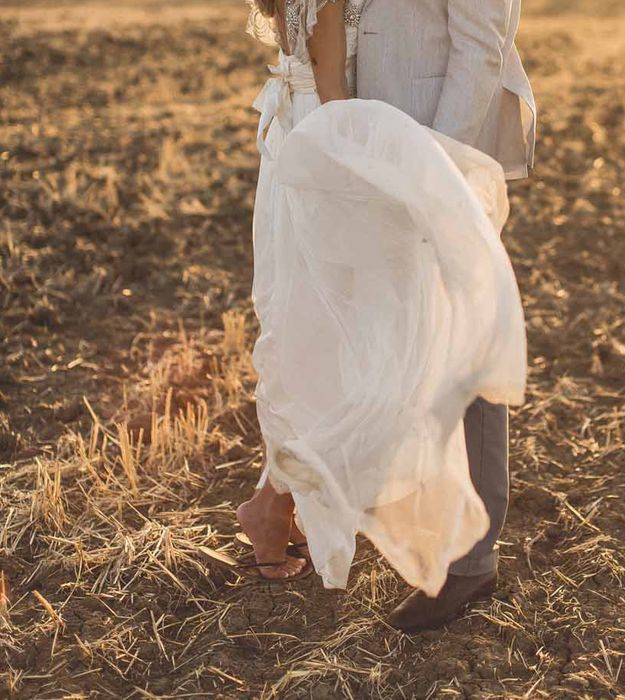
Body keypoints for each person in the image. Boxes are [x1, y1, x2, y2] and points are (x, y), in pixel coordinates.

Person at [227, 0, 535, 633]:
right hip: (361, 142)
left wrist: (437, 168)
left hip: (427, 141)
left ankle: (468, 562)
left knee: (459, 334)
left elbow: (482, 40)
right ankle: (306, 503)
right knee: (374, 330)